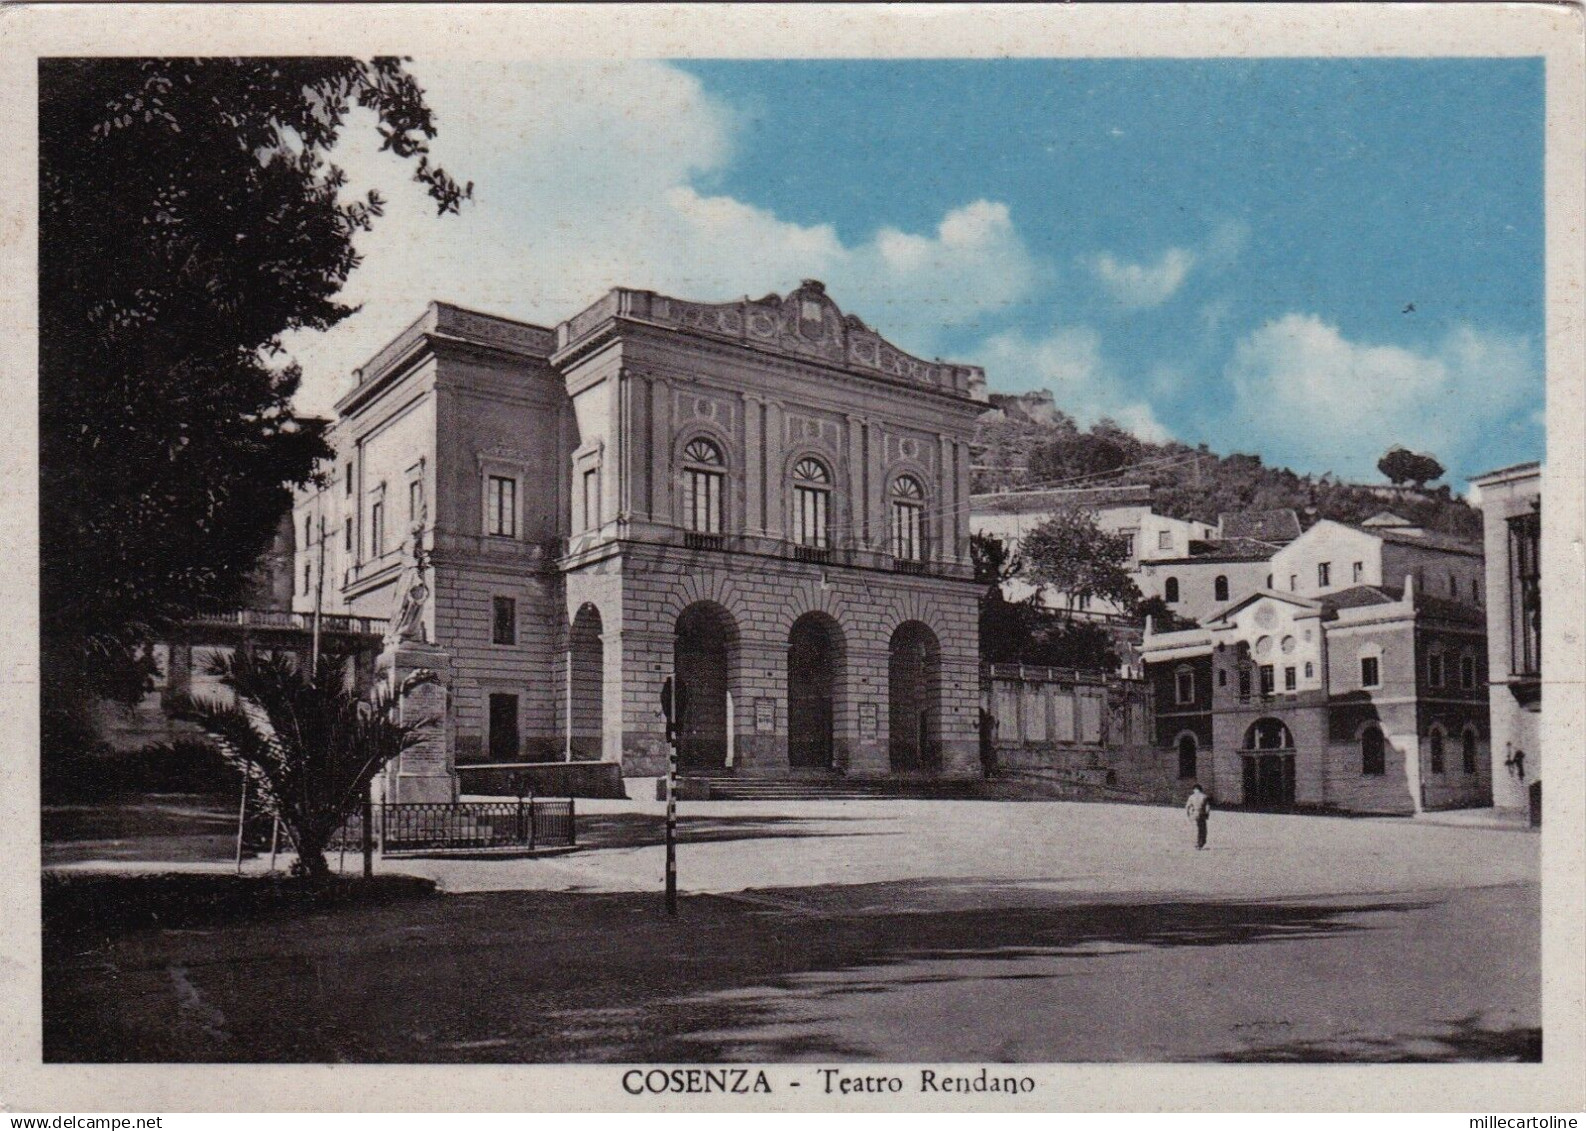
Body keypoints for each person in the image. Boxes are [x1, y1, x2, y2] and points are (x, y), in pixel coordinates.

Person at [1185, 782, 1211, 850]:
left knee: (1196, 829)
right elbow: (1208, 807)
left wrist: (1188, 815)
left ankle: (1196, 843)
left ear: (1194, 789)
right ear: (1200, 789)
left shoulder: (1191, 797)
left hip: (1194, 814)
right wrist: (1207, 815)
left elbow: (1187, 807)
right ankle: (1200, 843)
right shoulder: (1204, 796)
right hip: (1202, 813)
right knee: (1202, 829)